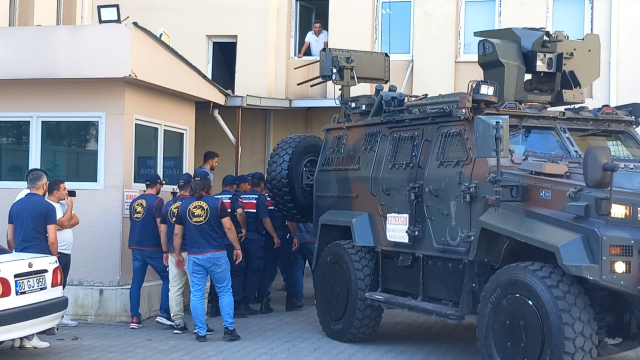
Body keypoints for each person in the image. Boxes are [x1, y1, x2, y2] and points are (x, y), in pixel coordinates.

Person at [173, 169, 242, 342]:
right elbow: (229, 227)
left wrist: (178, 255)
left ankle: (201, 332)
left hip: (195, 255)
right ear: (208, 185)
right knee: (225, 291)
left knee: (196, 293)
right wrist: (237, 247)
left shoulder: (183, 206)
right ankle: (229, 329)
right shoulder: (217, 204)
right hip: (217, 253)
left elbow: (177, 235)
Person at [7, 169, 57, 350]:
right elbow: (52, 238)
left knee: (19, 299)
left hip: (19, 258)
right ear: (44, 186)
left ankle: (18, 337)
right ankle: (30, 337)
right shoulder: (47, 207)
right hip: (41, 258)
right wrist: (54, 257)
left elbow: (10, 238)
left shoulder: (15, 206)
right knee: (36, 299)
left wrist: (16, 251)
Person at [160, 173, 212, 334]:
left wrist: (165, 251)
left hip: (173, 251)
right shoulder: (196, 203)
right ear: (192, 186)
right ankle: (200, 324)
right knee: (200, 288)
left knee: (175, 287)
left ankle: (178, 323)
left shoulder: (168, 205)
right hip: (194, 251)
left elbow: (163, 230)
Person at [128, 174, 172, 329]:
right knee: (169, 278)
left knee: (136, 282)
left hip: (135, 246)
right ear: (158, 185)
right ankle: (164, 313)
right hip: (153, 248)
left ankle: (134, 317)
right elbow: (161, 227)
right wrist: (166, 250)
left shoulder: (134, 202)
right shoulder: (158, 202)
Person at [257, 190, 304, 313]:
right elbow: (289, 220)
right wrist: (295, 236)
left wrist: (272, 236)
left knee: (268, 268)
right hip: (284, 236)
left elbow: (265, 219)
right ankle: (291, 301)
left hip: (269, 237)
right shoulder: (283, 197)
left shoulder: (263, 198)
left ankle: (264, 300)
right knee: (289, 268)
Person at [238, 172, 277, 315]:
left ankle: (239, 300)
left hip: (241, 237)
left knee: (242, 269)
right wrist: (274, 236)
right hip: (255, 238)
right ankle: (246, 301)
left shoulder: (241, 196)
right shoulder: (260, 198)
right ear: (262, 184)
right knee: (255, 269)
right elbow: (265, 219)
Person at [211, 175, 248, 318]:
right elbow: (239, 212)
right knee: (237, 271)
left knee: (216, 273)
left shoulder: (214, 199)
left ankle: (214, 305)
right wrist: (243, 228)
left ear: (222, 186)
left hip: (216, 242)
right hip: (230, 241)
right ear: (234, 187)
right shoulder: (234, 198)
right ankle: (237, 304)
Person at [46, 179, 80, 327]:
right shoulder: (48, 206)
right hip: (56, 251)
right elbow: (66, 222)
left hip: (67, 251)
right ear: (55, 192)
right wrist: (69, 210)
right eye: (64, 189)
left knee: (62, 284)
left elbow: (76, 220)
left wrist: (62, 224)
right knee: (53, 285)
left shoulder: (62, 205)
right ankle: (51, 317)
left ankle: (59, 315)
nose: (67, 192)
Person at [291, 222, 317, 303]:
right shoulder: (313, 209)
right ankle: (318, 297)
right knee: (316, 269)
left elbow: (290, 221)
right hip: (312, 239)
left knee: (298, 269)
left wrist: (295, 236)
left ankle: (299, 297)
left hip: (299, 240)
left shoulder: (296, 210)